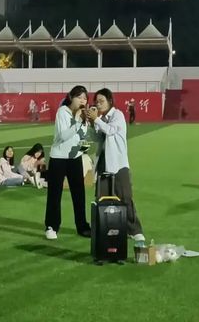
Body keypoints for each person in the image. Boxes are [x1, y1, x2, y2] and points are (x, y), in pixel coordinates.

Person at [87, 88, 145, 244]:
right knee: (102, 198)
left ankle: (135, 230)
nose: (98, 105)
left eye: (101, 101)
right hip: (104, 162)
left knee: (125, 197)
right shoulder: (102, 119)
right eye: (96, 102)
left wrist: (96, 120)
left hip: (119, 163)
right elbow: (97, 138)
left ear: (110, 101)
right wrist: (92, 123)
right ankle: (106, 228)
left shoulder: (117, 115)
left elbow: (111, 130)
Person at [44, 85, 92, 240]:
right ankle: (52, 226)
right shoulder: (62, 112)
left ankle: (82, 226)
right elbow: (63, 136)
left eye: (85, 98)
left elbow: (83, 137)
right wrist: (78, 120)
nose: (82, 101)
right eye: (79, 97)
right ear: (71, 97)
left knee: (79, 194)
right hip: (58, 158)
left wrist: (84, 151)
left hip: (75, 158)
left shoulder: (82, 116)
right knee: (55, 194)